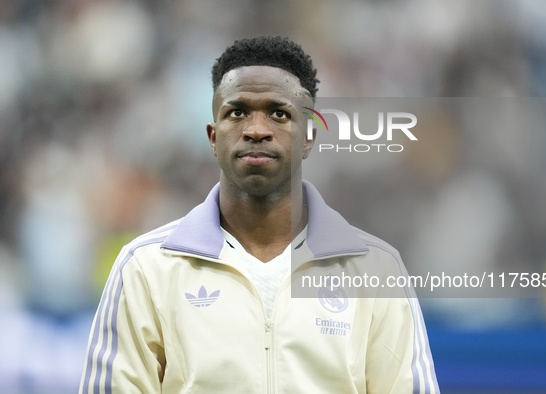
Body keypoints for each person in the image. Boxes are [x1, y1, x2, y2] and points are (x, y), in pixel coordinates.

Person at [80, 35, 439, 394]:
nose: (255, 130)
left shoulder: (376, 269)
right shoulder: (145, 268)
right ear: (212, 137)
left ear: (308, 137)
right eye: (236, 112)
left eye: (279, 113)